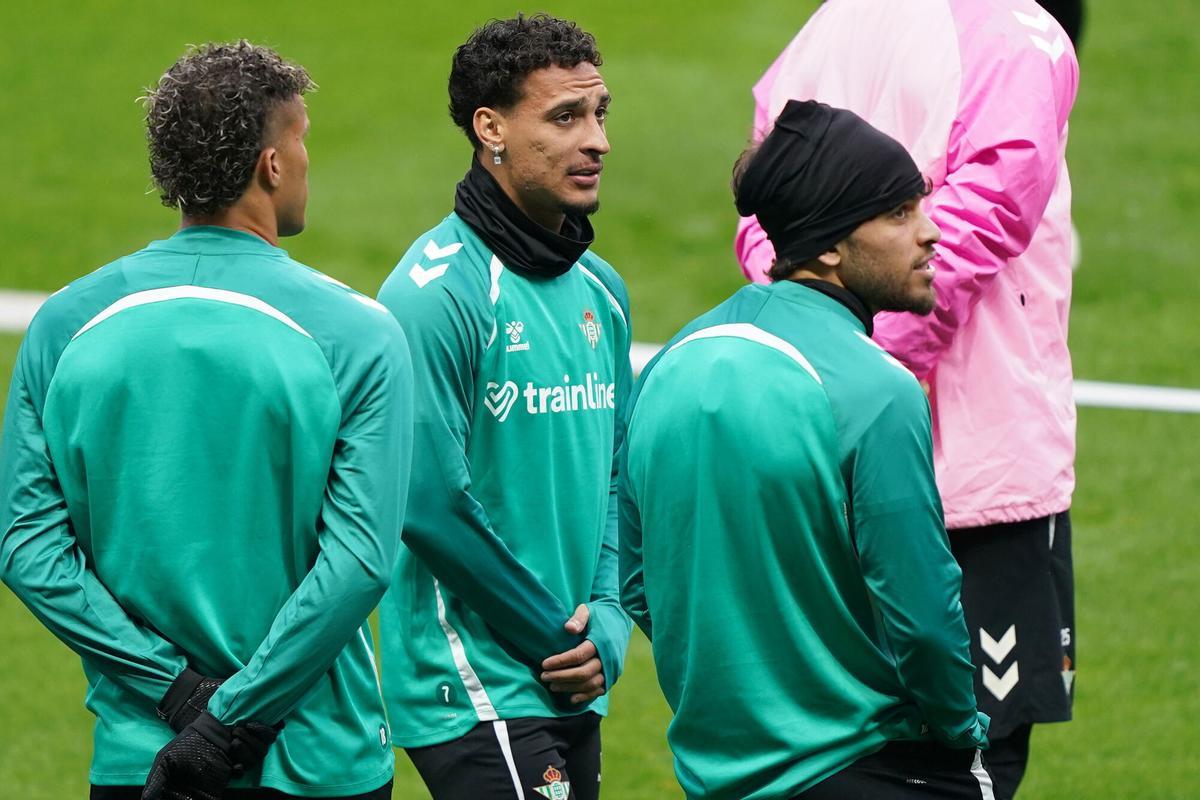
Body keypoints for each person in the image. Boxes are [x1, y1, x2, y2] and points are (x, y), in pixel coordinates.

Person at [0, 41, 412, 800]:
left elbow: (27, 548)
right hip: (314, 759)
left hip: (143, 758)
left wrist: (179, 695)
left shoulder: (64, 326)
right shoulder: (358, 334)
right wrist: (234, 719)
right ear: (272, 164)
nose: (307, 160)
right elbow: (359, 562)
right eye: (302, 138)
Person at [734, 2, 1079, 796]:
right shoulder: (1014, 33)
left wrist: (818, 351)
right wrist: (872, 364)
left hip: (825, 461)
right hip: (976, 478)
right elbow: (988, 210)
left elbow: (762, 213)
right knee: (969, 760)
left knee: (833, 749)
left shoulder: (827, 25)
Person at [621, 100, 992, 800]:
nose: (932, 232)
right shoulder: (878, 390)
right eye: (899, 214)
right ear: (828, 246)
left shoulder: (671, 362)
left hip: (716, 772)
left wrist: (746, 691)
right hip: (874, 765)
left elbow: (639, 578)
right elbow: (922, 614)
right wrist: (958, 732)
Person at [376, 14, 632, 800]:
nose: (596, 141)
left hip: (568, 668)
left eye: (599, 114)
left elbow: (617, 473)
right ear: (490, 129)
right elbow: (426, 502)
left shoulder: (602, 293)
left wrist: (610, 614)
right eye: (564, 117)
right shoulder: (436, 296)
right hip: (476, 679)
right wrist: (550, 637)